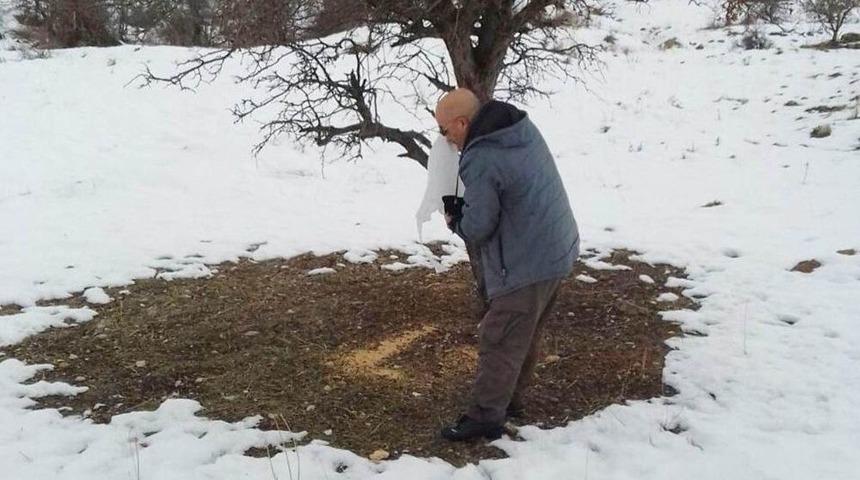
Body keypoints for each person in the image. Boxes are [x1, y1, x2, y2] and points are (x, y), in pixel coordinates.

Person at [435, 88, 580, 441]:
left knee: (499, 337)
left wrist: (457, 220)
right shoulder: (518, 129)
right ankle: (508, 400)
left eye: (444, 130)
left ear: (462, 122)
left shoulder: (481, 157)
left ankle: (486, 418)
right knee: (523, 331)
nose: (445, 139)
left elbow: (480, 225)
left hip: (526, 261)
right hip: (556, 249)